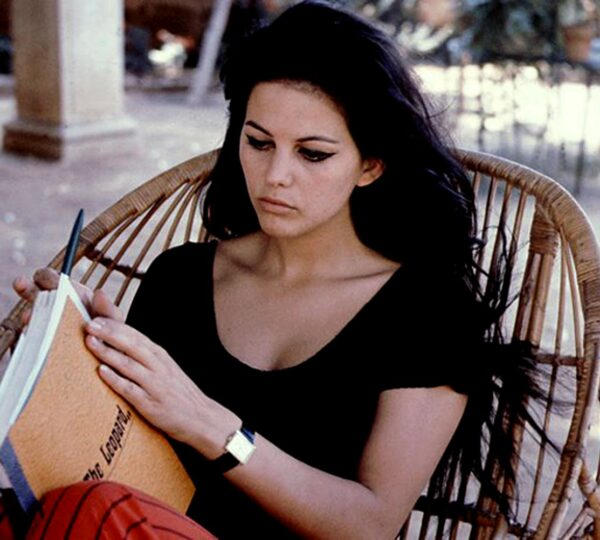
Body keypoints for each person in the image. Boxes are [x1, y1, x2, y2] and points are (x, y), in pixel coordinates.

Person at [11, 1, 550, 537]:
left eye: (312, 154)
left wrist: (211, 425)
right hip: (138, 527)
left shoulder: (428, 313)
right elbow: (120, 459)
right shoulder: (180, 278)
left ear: (371, 164)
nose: (275, 176)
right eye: (259, 142)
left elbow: (370, 525)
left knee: (99, 511)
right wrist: (78, 355)